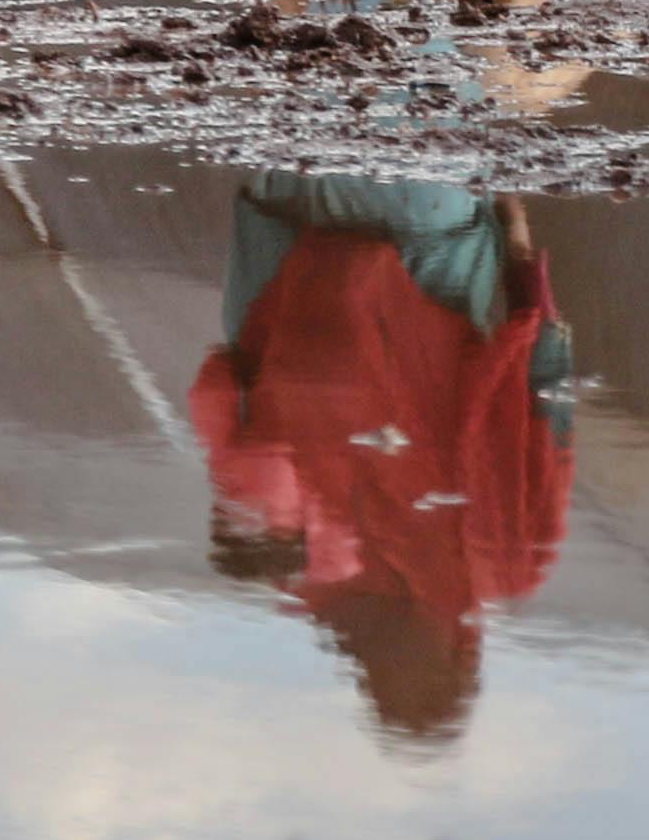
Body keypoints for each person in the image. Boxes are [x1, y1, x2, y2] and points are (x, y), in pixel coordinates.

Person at [184, 173, 572, 742]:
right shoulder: (292, 569)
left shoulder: (507, 561)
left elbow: (547, 390)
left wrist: (518, 257)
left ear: (465, 658)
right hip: (281, 240)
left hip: (426, 231)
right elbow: (221, 384)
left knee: (420, 87)